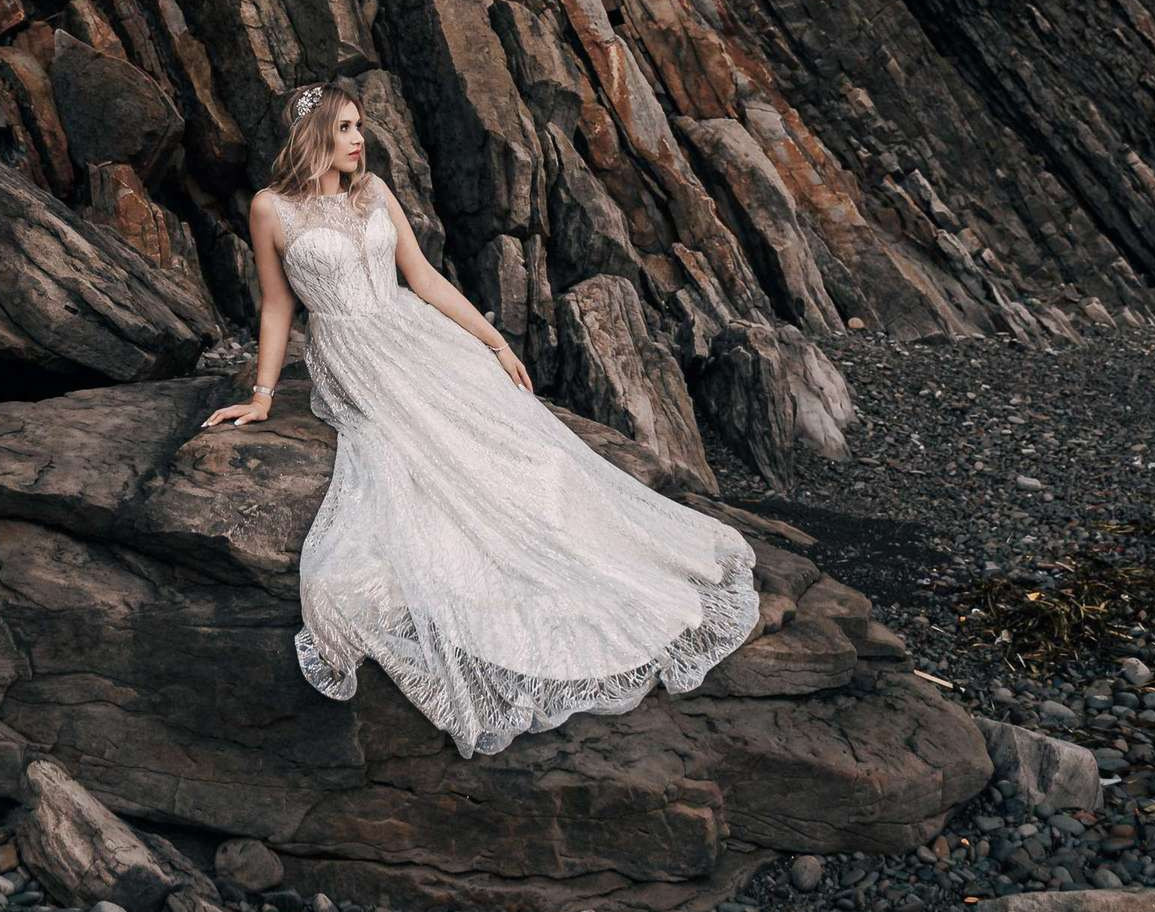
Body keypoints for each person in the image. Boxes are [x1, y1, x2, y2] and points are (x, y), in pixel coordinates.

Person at [200, 78, 763, 758]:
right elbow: (276, 305)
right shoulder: (271, 208)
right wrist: (263, 394)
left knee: (520, 448)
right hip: (355, 356)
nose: (358, 139)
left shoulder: (372, 192)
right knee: (427, 465)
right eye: (345, 127)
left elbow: (422, 278)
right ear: (315, 135)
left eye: (359, 126)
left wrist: (493, 342)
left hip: (415, 334)